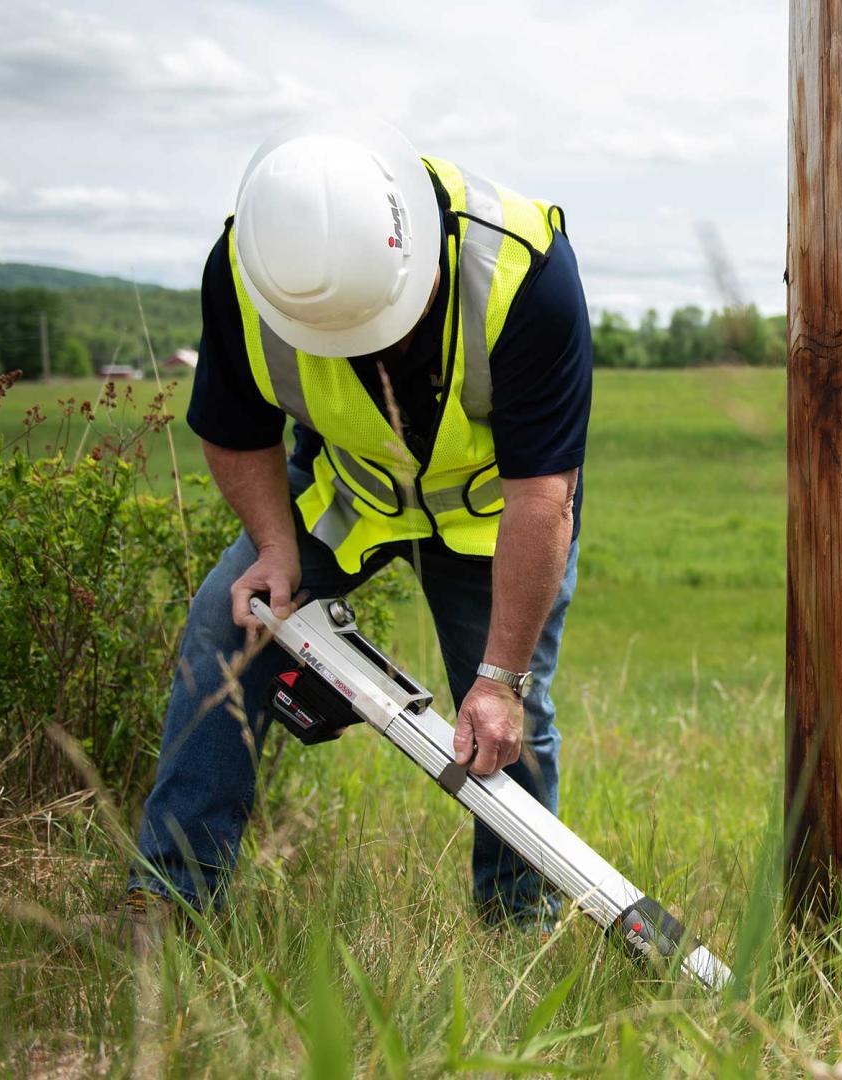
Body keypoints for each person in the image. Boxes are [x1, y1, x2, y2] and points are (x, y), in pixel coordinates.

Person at [119, 114, 592, 943]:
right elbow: (234, 427)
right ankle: (170, 901)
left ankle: (518, 923)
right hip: (350, 491)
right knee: (222, 629)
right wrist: (272, 546)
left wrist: (499, 678)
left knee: (509, 720)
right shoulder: (248, 271)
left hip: (493, 519)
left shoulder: (523, 271)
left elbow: (540, 495)